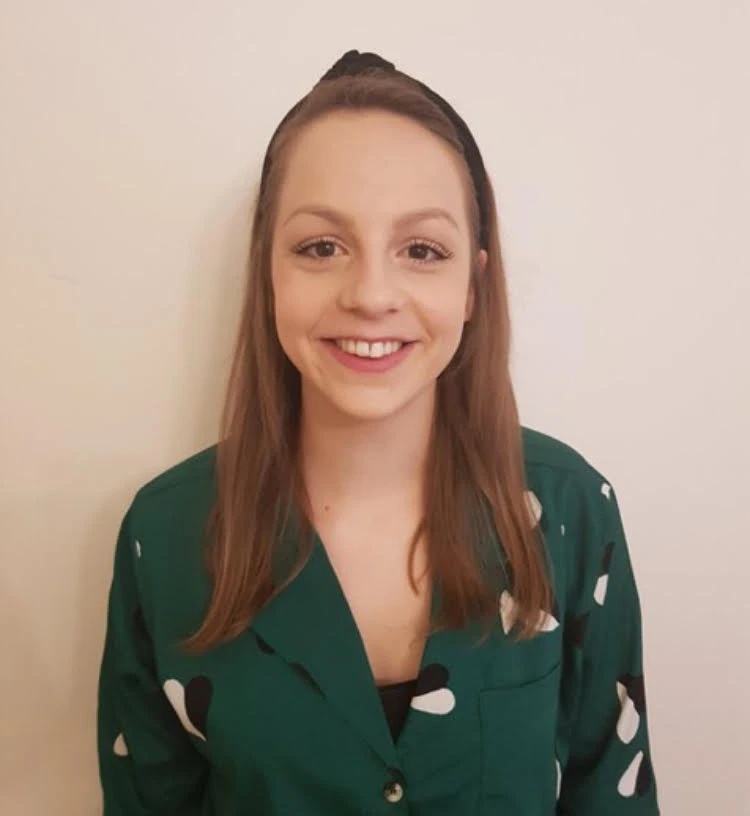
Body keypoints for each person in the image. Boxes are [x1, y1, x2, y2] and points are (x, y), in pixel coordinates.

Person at [96, 49, 660, 815]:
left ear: (473, 285)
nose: (370, 294)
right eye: (321, 247)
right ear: (268, 272)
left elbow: (612, 791)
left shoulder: (569, 511)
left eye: (422, 250)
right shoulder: (162, 537)